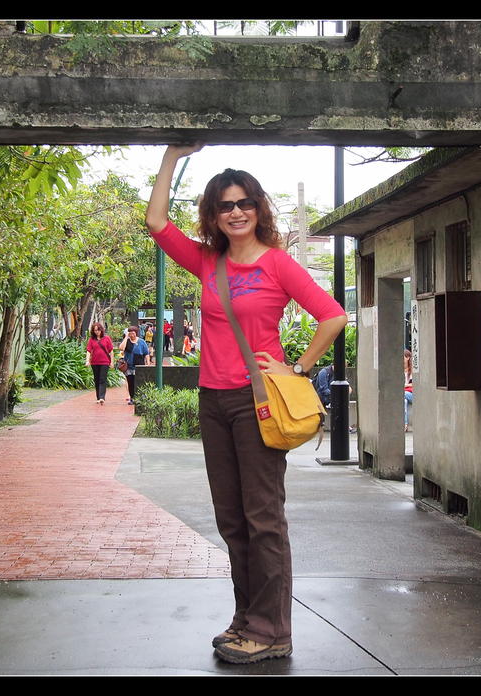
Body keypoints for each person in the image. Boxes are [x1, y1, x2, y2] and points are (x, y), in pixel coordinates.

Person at [145, 144, 346, 664]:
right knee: (231, 519)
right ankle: (246, 618)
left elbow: (333, 316)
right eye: (224, 205)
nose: (236, 212)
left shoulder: (277, 264)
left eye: (244, 203)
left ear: (258, 208)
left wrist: (297, 367)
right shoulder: (207, 262)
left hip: (258, 400)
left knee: (263, 518)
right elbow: (156, 221)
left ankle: (273, 628)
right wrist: (172, 154)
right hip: (213, 401)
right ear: (213, 215)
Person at [119, 325, 150, 405]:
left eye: (133, 333)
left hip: (139, 365)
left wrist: (148, 362)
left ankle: (139, 398)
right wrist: (126, 338)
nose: (132, 335)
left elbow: (146, 353)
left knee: (139, 382)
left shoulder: (141, 342)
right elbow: (121, 348)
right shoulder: (127, 341)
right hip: (129, 366)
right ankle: (132, 398)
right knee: (130, 382)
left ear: (136, 333)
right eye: (130, 333)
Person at [85, 322, 115, 405]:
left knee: (102, 379)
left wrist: (112, 362)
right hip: (94, 362)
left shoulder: (107, 338)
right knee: (97, 379)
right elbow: (88, 350)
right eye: (95, 330)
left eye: (98, 330)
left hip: (105, 362)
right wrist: (87, 360)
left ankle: (102, 397)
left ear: (101, 330)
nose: (97, 332)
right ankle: (98, 397)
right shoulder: (92, 339)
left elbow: (111, 350)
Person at [404, 349, 414, 432]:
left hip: (412, 394)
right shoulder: (399, 371)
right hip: (405, 394)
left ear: (407, 358)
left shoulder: (412, 371)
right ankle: (405, 424)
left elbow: (415, 385)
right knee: (404, 401)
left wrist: (406, 385)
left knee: (402, 394)